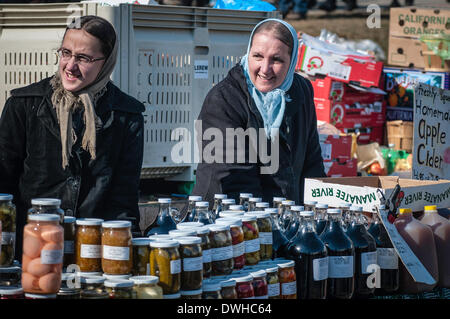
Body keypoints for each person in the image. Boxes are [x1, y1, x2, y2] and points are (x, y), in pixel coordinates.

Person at [0, 15, 145, 258]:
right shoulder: (24, 105)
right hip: (30, 249)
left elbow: (124, 199)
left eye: (83, 58)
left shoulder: (126, 115)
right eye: (65, 53)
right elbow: (3, 183)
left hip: (93, 252)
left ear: (106, 62)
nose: (70, 65)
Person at [191, 18, 326, 206]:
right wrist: (269, 226)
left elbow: (312, 164)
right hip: (228, 217)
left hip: (283, 214)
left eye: (277, 60)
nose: (265, 69)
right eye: (258, 56)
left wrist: (316, 215)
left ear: (292, 61)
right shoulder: (224, 99)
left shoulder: (300, 90)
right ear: (248, 54)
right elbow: (237, 181)